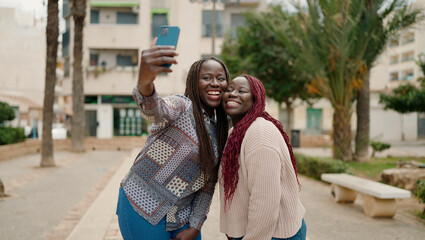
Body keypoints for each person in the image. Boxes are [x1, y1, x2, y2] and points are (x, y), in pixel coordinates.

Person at [116, 42, 230, 240]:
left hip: (181, 215)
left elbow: (208, 185)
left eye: (221, 78)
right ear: (194, 83)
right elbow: (154, 109)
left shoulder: (219, 128)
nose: (215, 83)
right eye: (206, 78)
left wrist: (195, 226)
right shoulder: (182, 106)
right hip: (142, 203)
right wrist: (145, 80)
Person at [219, 75, 306, 240]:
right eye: (229, 90)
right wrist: (232, 231)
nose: (232, 94)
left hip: (273, 235)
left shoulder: (260, 135)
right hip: (250, 232)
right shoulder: (235, 133)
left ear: (256, 99)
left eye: (241, 91)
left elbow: (266, 203)